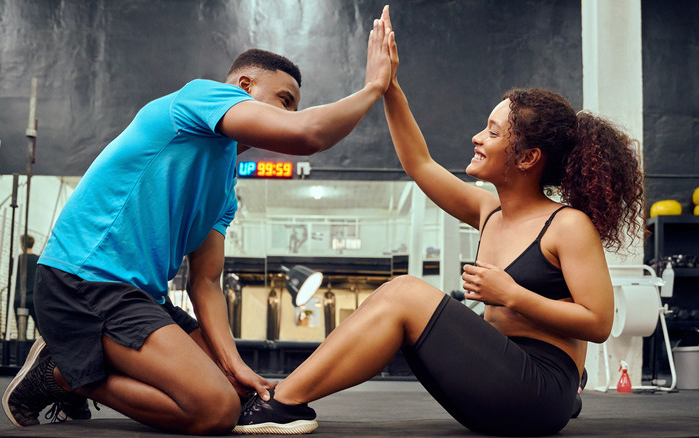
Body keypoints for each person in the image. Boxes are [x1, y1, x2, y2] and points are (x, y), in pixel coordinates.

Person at [233, 6, 644, 436]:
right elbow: (419, 164)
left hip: (537, 391)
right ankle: (282, 396)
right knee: (402, 301)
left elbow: (598, 323)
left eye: (492, 131)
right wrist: (389, 87)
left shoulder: (566, 225)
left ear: (527, 158)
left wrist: (512, 294)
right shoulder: (490, 212)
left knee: (406, 291)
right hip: (499, 380)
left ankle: (280, 404)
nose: (477, 138)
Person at [2, 11, 394, 435]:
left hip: (142, 298)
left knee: (238, 394)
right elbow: (309, 134)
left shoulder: (225, 189)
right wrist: (374, 87)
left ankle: (85, 368)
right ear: (244, 86)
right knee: (215, 410)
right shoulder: (200, 98)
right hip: (83, 281)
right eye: (283, 101)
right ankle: (60, 375)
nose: (288, 114)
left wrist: (235, 365)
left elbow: (205, 283)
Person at [13, 234, 39, 339]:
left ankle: (22, 354)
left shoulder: (17, 260)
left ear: (21, 244)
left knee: (21, 333)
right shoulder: (39, 260)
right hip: (35, 299)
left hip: (19, 298)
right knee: (42, 329)